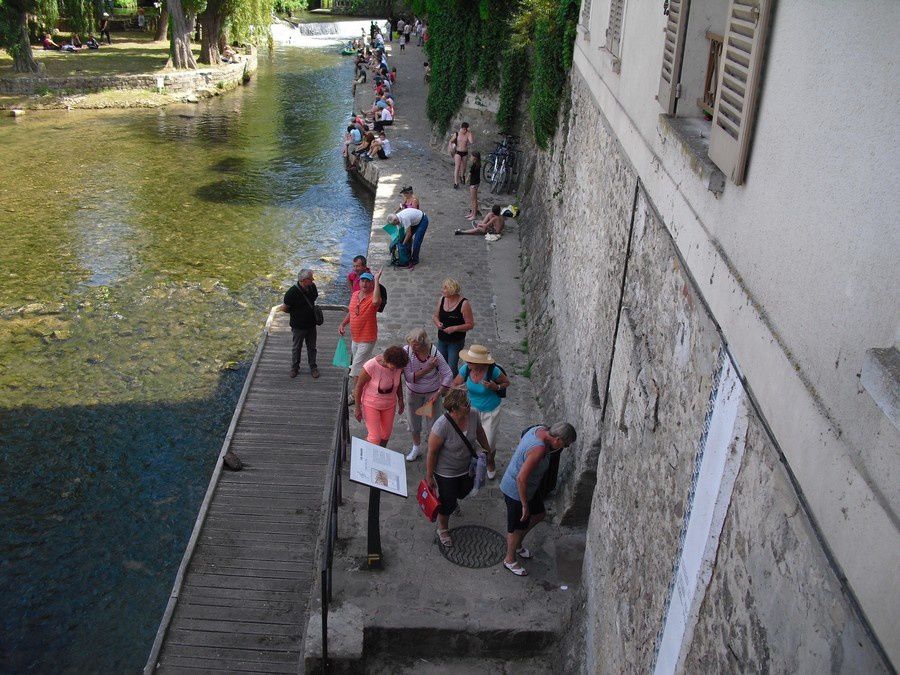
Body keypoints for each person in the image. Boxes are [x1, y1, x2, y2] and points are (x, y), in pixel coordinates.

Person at [499, 423, 577, 576]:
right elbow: (521, 478)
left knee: (539, 514)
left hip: (529, 489)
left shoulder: (539, 430)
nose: (565, 447)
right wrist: (524, 504)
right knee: (516, 527)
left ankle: (518, 543)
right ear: (558, 439)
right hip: (516, 491)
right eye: (566, 445)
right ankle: (509, 559)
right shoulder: (539, 449)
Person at [426, 389, 492, 548]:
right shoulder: (441, 426)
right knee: (447, 501)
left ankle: (453, 500)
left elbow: (480, 432)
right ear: (454, 409)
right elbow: (432, 452)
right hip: (446, 471)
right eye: (465, 405)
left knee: (464, 492)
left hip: (466, 466)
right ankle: (443, 529)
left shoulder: (473, 414)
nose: (469, 406)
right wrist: (429, 476)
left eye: (468, 403)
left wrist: (487, 450)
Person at [452, 344, 508, 479]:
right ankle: (472, 462)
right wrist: (460, 390)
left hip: (490, 411)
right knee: (469, 438)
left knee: (488, 441)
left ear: (479, 362)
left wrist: (496, 386)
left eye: (470, 361)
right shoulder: (466, 369)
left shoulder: (492, 371)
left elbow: (506, 383)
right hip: (471, 411)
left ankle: (490, 462)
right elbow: (454, 384)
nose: (467, 362)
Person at [402, 328, 453, 462]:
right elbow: (409, 377)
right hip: (413, 393)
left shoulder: (434, 353)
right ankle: (416, 447)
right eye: (411, 344)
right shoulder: (406, 351)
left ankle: (433, 450)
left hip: (432, 394)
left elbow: (448, 374)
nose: (413, 347)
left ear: (424, 343)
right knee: (414, 422)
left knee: (434, 424)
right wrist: (428, 369)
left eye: (416, 345)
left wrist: (438, 393)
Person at [339, 269, 383, 403]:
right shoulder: (355, 295)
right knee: (361, 365)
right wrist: (343, 324)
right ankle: (368, 385)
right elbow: (351, 313)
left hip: (367, 338)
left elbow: (376, 302)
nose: (364, 284)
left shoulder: (373, 298)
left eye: (368, 281)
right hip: (355, 337)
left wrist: (377, 279)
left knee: (355, 369)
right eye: (363, 281)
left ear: (371, 285)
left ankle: (355, 395)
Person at [355, 345, 408, 446]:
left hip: (389, 404)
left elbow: (398, 382)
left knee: (385, 435)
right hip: (371, 404)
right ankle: (368, 457)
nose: (396, 370)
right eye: (395, 367)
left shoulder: (397, 368)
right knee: (374, 437)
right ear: (388, 360)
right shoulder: (371, 366)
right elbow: (359, 386)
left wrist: (401, 399)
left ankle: (381, 455)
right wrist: (357, 407)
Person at [278, 269, 320, 379]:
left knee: (312, 347)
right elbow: (285, 308)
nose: (313, 280)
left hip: (311, 324)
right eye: (311, 278)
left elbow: (314, 298)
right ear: (304, 280)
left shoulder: (312, 287)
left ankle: (313, 367)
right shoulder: (291, 293)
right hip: (298, 326)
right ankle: (295, 368)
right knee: (296, 347)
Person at [432, 278, 474, 376]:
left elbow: (470, 324)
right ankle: (444, 384)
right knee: (441, 364)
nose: (442, 290)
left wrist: (454, 328)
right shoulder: (442, 299)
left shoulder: (464, 304)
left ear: (452, 290)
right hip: (442, 339)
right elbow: (435, 316)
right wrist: (437, 323)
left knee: (451, 366)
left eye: (445, 288)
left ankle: (454, 385)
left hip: (455, 341)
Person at [451, 122, 474, 189]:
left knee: (464, 167)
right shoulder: (457, 133)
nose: (463, 131)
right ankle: (455, 183)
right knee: (457, 167)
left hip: (465, 153)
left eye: (465, 129)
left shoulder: (468, 134)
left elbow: (471, 141)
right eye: (463, 129)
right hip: (458, 152)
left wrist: (470, 132)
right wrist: (451, 147)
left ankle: (462, 176)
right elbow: (451, 141)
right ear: (461, 128)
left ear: (467, 129)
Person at [466, 151, 482, 220]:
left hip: (473, 183)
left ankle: (474, 214)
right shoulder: (477, 164)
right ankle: (472, 213)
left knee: (474, 200)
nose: (470, 157)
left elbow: (470, 174)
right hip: (475, 183)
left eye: (471, 156)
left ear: (475, 158)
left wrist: (466, 179)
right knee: (473, 199)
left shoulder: (474, 165)